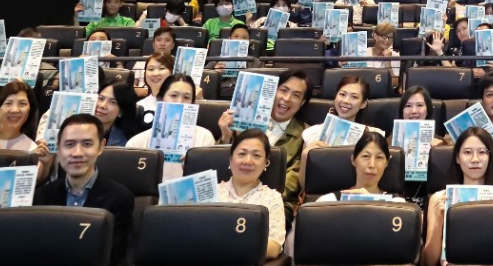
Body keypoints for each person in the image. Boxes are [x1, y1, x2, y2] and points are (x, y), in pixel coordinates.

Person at [33, 113, 134, 265]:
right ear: (58, 148)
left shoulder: (120, 198)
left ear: (101, 146)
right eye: (69, 145)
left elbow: (113, 257)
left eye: (87, 144)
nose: (77, 153)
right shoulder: (43, 197)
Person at [421, 128, 493, 266]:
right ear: (457, 158)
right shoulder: (439, 199)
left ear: (490, 157)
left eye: (482, 152)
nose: (475, 159)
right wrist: (438, 223)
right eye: (467, 152)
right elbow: (429, 262)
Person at [296, 75, 383, 191]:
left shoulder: (375, 136)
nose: (346, 101)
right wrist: (305, 155)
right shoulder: (312, 133)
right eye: (342, 94)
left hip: (360, 196)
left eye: (354, 97)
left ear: (363, 103)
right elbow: (304, 185)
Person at [125, 74, 218, 180]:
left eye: (186, 97)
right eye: (174, 95)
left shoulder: (205, 137)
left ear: (192, 103)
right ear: (160, 99)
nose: (180, 102)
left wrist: (194, 168)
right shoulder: (136, 143)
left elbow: (208, 182)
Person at [219, 129, 286, 261]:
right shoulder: (210, 193)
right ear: (231, 159)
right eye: (242, 154)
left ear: (266, 162)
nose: (247, 161)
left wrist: (224, 246)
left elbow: (274, 247)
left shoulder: (272, 198)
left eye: (256, 155)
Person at [309, 131, 401, 202]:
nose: (372, 165)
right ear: (353, 160)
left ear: (386, 163)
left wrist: (370, 201)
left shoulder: (397, 204)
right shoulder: (329, 201)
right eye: (365, 156)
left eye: (379, 157)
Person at [0, 79, 50, 171]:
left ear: (30, 110)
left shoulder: (32, 150)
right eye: (8, 103)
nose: (15, 110)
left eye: (22, 104)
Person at [95, 78, 146, 146]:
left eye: (112, 102)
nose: (102, 105)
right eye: (101, 98)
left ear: (121, 111)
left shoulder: (127, 143)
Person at [133, 26, 178, 94]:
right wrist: (142, 91)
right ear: (153, 44)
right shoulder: (141, 61)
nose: (162, 44)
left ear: (173, 45)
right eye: (159, 40)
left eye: (167, 40)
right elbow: (132, 84)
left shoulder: (178, 63)